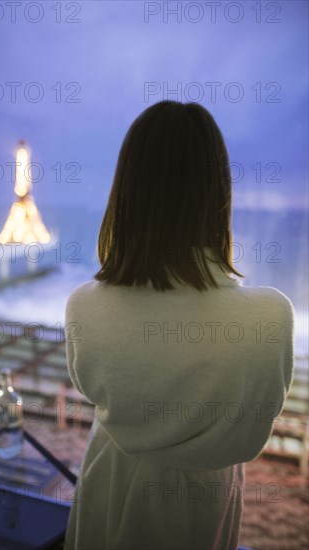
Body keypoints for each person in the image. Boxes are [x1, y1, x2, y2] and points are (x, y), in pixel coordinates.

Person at [63, 101, 294, 550]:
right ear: (218, 193)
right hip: (203, 502)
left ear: (125, 191)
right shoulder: (269, 317)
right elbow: (252, 428)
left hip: (109, 483)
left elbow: (99, 392)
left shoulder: (84, 307)